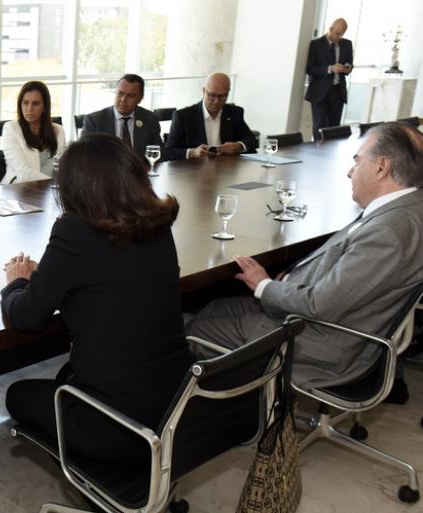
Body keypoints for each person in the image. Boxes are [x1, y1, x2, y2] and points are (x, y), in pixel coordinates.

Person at [186, 122, 423, 391]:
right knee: (213, 307)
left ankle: (226, 418)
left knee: (194, 333)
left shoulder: (389, 231)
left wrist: (264, 285)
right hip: (314, 316)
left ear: (381, 167)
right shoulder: (407, 207)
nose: (349, 172)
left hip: (320, 342)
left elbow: (321, 304)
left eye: (356, 162)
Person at [2, 133, 192, 462]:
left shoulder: (74, 231)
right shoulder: (158, 225)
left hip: (114, 425)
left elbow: (27, 316)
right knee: (65, 376)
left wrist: (16, 283)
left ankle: (104, 468)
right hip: (175, 406)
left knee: (17, 395)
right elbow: (111, 281)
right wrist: (50, 278)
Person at [164, 72, 258, 161]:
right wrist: (192, 152)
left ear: (228, 92)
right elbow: (169, 151)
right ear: (204, 91)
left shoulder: (234, 113)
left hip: (227, 168)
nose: (216, 101)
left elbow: (252, 140)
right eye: (212, 95)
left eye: (222, 96)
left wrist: (239, 146)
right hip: (194, 170)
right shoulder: (183, 116)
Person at [82, 74, 166, 161]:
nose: (123, 99)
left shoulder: (150, 119)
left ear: (140, 98)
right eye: (120, 93)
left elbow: (159, 153)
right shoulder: (94, 121)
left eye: (130, 96)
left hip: (141, 172)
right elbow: (85, 156)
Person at [0, 81, 66, 184]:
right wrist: (52, 184)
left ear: (45, 106)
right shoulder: (11, 129)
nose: (29, 109)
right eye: (25, 103)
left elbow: (63, 167)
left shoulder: (58, 130)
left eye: (35, 104)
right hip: (19, 190)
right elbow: (24, 171)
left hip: (51, 192)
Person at [306, 18, 353, 141]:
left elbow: (349, 63)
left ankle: (329, 155)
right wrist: (330, 69)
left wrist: (348, 68)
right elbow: (310, 69)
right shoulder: (316, 44)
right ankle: (317, 153)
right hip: (319, 92)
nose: (340, 36)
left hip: (338, 91)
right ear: (330, 29)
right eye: (337, 33)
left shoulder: (347, 44)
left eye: (342, 33)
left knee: (334, 128)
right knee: (319, 126)